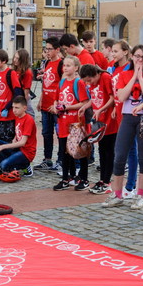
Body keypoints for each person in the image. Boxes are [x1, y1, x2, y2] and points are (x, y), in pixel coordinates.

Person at [102, 44, 143, 209]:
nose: (139, 59)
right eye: (136, 56)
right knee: (120, 155)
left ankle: (139, 195)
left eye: (142, 57)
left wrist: (141, 78)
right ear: (132, 57)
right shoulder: (124, 74)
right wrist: (134, 75)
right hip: (127, 116)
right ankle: (118, 194)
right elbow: (121, 96)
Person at [53, 55, 90, 191]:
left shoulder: (78, 82)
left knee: (80, 150)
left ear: (76, 68)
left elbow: (84, 102)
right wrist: (56, 105)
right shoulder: (61, 83)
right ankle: (67, 178)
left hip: (76, 122)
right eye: (64, 65)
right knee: (65, 151)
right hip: (63, 122)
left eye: (68, 65)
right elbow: (56, 98)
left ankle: (84, 178)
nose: (65, 68)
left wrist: (66, 107)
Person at [108, 41, 139, 197]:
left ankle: (131, 185)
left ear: (126, 52)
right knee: (120, 150)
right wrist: (114, 106)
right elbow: (115, 91)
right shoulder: (114, 68)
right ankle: (120, 186)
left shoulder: (130, 68)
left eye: (116, 51)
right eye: (112, 51)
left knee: (132, 149)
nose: (112, 54)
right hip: (119, 110)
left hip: (130, 111)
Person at [80, 64, 117, 194]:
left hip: (109, 121)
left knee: (108, 151)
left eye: (89, 80)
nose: (88, 83)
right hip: (99, 121)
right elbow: (94, 99)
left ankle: (107, 181)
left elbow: (113, 98)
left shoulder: (105, 78)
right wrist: (85, 107)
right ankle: (102, 180)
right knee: (102, 150)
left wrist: (101, 109)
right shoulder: (93, 82)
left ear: (95, 74)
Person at [0, 96, 38, 174]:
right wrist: (14, 138)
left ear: (24, 108)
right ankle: (9, 161)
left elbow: (22, 142)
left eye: (17, 108)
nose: (14, 110)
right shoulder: (17, 116)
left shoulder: (28, 120)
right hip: (18, 149)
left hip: (26, 153)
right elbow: (19, 130)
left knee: (3, 165)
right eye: (13, 107)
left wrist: (3, 147)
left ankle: (25, 166)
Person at [33, 38, 62, 171]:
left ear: (57, 50)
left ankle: (61, 159)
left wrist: (57, 103)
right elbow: (46, 84)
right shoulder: (47, 63)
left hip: (56, 106)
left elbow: (62, 85)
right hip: (45, 104)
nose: (47, 52)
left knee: (60, 134)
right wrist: (40, 100)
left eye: (50, 49)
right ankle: (47, 159)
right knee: (46, 133)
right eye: (46, 49)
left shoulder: (61, 64)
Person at [12, 48, 35, 116]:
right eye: (15, 57)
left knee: (28, 115)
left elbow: (26, 90)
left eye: (17, 58)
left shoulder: (27, 72)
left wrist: (24, 104)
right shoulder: (14, 70)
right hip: (15, 96)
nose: (14, 60)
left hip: (22, 97)